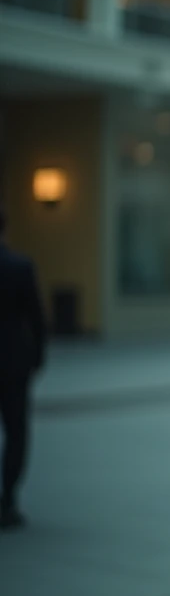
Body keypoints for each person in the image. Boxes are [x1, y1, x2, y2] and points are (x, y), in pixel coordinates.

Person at [0, 205, 47, 530]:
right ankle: (8, 499)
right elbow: (37, 318)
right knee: (16, 432)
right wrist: (37, 357)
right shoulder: (19, 266)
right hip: (13, 363)